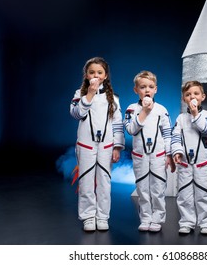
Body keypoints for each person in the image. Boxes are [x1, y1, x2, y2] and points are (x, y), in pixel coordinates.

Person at [70, 57, 125, 232]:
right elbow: (76, 114)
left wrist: (117, 146)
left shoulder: (113, 99)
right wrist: (90, 95)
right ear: (86, 75)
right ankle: (88, 216)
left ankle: (102, 216)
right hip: (86, 144)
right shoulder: (79, 94)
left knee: (104, 182)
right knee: (86, 180)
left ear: (105, 76)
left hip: (106, 146)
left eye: (99, 72)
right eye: (92, 72)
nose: (95, 75)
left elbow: (118, 123)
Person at [123, 70, 175, 232]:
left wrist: (169, 154)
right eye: (143, 87)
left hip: (158, 155)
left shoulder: (161, 110)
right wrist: (144, 112)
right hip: (140, 156)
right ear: (136, 90)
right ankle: (145, 217)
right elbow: (131, 129)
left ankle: (157, 218)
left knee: (158, 188)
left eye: (150, 87)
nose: (147, 90)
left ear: (156, 89)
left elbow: (168, 133)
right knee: (143, 189)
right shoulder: (131, 110)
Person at [171, 80, 207, 235]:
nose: (192, 97)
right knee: (184, 195)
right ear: (184, 99)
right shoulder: (181, 118)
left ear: (202, 97)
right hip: (185, 164)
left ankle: (206, 222)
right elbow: (175, 137)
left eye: (196, 93)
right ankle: (186, 222)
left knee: (203, 194)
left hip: (202, 164)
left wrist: (196, 113)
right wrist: (176, 152)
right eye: (188, 95)